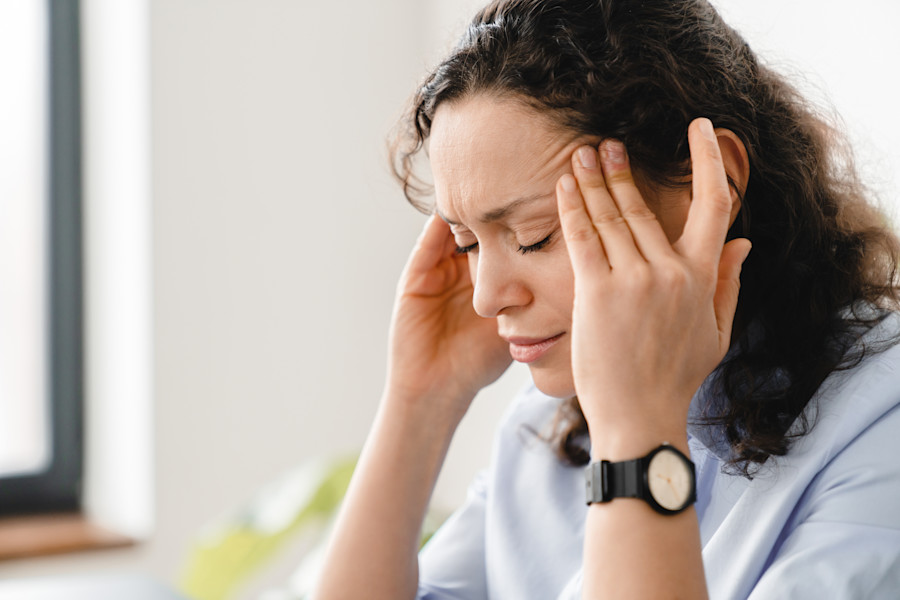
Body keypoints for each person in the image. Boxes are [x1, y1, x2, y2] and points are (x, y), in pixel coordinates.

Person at [312, 0, 900, 598]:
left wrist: (640, 431)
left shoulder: (881, 426)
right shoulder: (548, 428)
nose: (488, 298)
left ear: (709, 185)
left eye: (533, 236)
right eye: (467, 243)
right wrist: (420, 401)